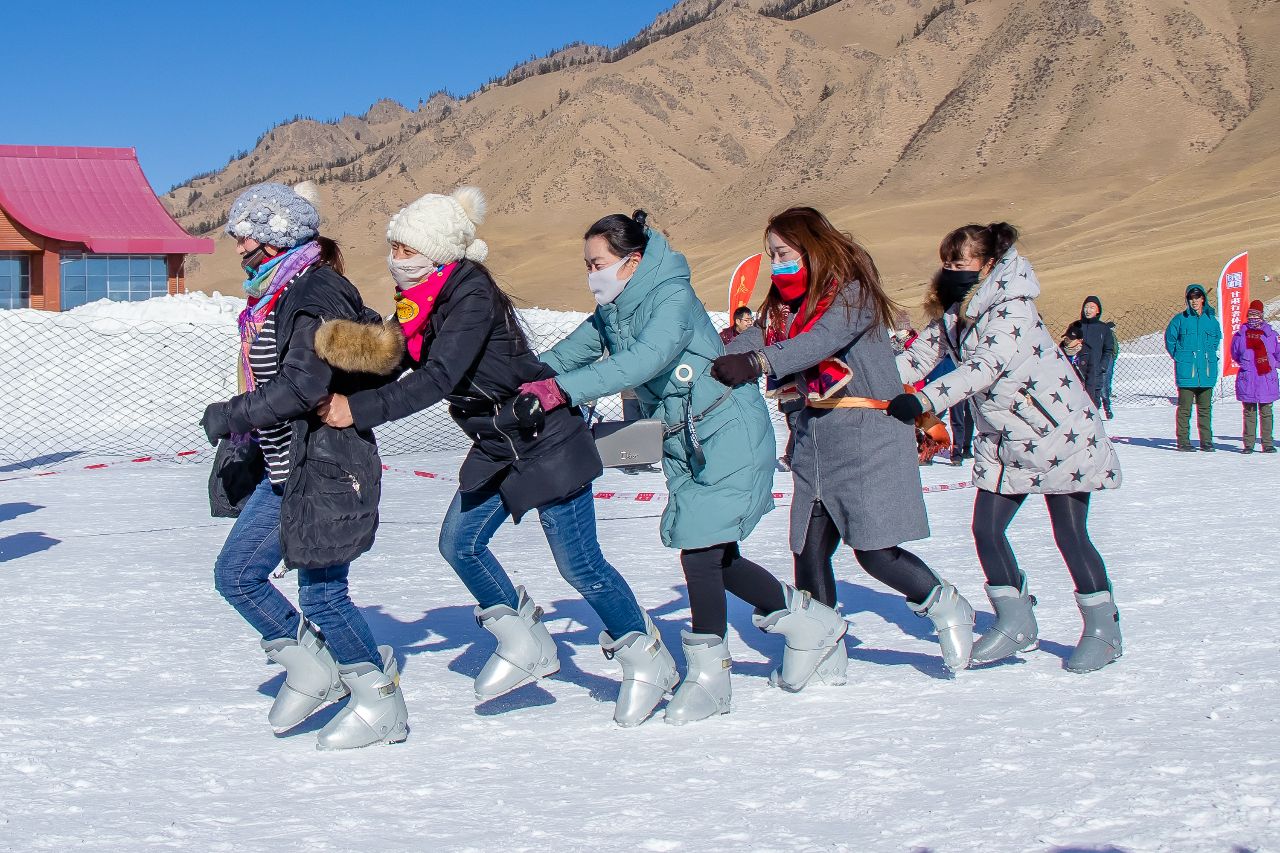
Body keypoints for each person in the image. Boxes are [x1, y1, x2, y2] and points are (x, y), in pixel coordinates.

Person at [316, 188, 677, 728]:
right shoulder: (422, 301)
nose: (396, 257)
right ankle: (523, 638)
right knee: (458, 543)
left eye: (407, 247)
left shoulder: (470, 293)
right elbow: (398, 356)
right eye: (393, 246)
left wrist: (357, 410)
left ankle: (646, 660)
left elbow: (438, 376)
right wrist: (334, 356)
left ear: (437, 249)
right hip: (497, 444)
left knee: (580, 564)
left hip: (544, 437)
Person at [529, 210, 845, 725]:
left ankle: (709, 678)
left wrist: (560, 392)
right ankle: (808, 623)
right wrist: (523, 378)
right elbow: (568, 354)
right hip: (686, 442)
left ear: (632, 261)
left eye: (599, 263)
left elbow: (644, 361)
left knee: (700, 552)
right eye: (586, 265)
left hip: (729, 434)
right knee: (716, 556)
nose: (592, 274)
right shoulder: (614, 311)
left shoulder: (670, 298)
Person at [714, 206, 976, 674]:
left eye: (784, 253)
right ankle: (824, 648)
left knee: (874, 550)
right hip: (815, 437)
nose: (776, 265)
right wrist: (707, 351)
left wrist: (757, 364)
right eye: (771, 255)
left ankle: (947, 607)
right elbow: (753, 337)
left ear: (812, 248)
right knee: (808, 547)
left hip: (867, 434)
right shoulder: (785, 309)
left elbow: (819, 342)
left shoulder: (853, 295)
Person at [201, 182, 409, 749]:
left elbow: (302, 385)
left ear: (275, 235)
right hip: (286, 468)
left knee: (321, 596)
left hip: (323, 467)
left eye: (244, 232)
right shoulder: (280, 290)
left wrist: (229, 414)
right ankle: (318, 669)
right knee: (239, 576)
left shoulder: (312, 292)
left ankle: (379, 703)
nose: (236, 244)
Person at [896, 222, 1124, 673]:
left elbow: (984, 368)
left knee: (1070, 534)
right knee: (986, 529)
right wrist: (858, 379)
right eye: (946, 264)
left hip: (1058, 435)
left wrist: (924, 399)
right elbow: (919, 355)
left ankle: (1104, 629)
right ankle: (1015, 621)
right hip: (1005, 440)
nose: (950, 272)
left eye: (959, 264)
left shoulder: (1013, 310)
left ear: (989, 265)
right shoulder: (956, 313)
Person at [1164, 284, 1221, 451]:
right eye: (1191, 298)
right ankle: (1183, 441)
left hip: (1207, 371)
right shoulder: (1180, 319)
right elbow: (1170, 340)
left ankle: (1206, 441)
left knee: (1205, 409)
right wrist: (1181, 357)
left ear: (1203, 298)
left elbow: (1216, 339)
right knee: (1185, 409)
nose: (1194, 301)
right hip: (1187, 371)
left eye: (1197, 297)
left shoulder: (1211, 320)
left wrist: (1209, 355)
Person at [1230, 300, 1279, 453]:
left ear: (1262, 316)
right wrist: (1246, 365)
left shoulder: (1271, 335)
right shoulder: (1240, 336)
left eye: (1257, 315)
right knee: (1249, 412)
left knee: (1266, 412)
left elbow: (1278, 353)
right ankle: (1249, 444)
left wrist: (1271, 364)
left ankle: (1268, 443)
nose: (1254, 318)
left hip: (1266, 378)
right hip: (1249, 378)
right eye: (1251, 315)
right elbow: (1235, 353)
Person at [1078, 296, 1116, 416]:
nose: (1088, 310)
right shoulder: (1076, 326)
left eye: (1092, 307)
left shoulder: (1103, 329)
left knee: (1094, 402)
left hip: (1095, 370)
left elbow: (1108, 349)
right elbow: (1066, 347)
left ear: (1098, 310)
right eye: (1086, 307)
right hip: (1078, 370)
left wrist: (1103, 365)